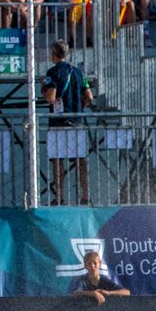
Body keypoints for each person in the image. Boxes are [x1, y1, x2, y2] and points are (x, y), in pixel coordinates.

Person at [42, 39, 94, 205]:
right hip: (76, 122)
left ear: (53, 54)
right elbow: (89, 97)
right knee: (81, 160)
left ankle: (60, 197)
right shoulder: (77, 72)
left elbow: (51, 98)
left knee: (58, 161)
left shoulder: (52, 73)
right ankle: (85, 195)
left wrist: (43, 90)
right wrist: (79, 108)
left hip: (58, 123)